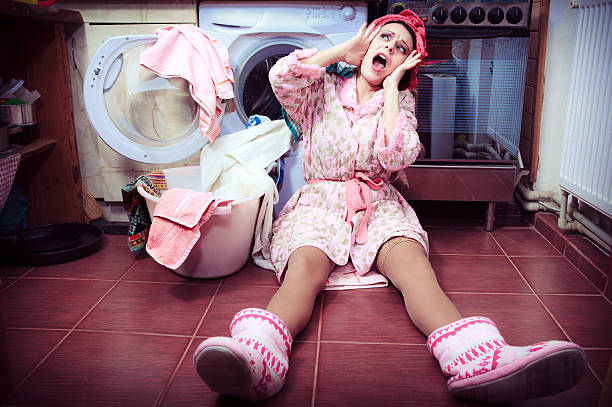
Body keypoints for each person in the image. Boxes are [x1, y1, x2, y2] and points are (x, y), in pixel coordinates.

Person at [193, 10, 587, 403]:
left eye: (402, 49)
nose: (390, 48)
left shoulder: (401, 104)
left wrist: (395, 91)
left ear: (405, 66)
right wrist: (343, 50)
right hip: (319, 202)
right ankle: (260, 359)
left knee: (414, 267)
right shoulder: (320, 89)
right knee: (304, 268)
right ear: (366, 45)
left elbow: (398, 155)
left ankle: (480, 359)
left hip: (377, 203)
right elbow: (282, 76)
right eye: (384, 38)